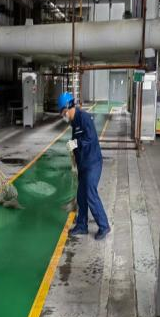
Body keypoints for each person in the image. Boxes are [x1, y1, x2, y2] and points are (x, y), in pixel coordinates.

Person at [58, 92, 111, 240]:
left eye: (63, 112)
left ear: (68, 108)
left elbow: (90, 139)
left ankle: (104, 226)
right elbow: (76, 144)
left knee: (90, 193)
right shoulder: (74, 122)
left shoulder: (84, 118)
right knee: (81, 195)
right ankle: (82, 225)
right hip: (83, 164)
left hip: (93, 163)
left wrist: (75, 143)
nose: (63, 116)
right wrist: (74, 160)